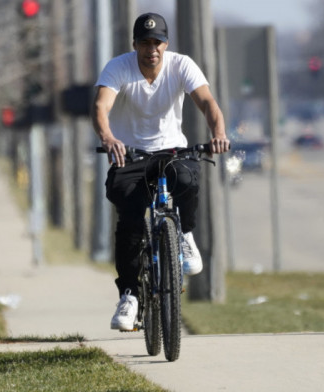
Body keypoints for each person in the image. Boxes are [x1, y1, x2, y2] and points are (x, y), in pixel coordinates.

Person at [91, 12, 230, 331]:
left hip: (171, 150)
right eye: (144, 42)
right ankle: (129, 296)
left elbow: (207, 102)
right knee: (129, 220)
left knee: (187, 178)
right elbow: (101, 106)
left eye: (157, 42)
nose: (151, 49)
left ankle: (184, 235)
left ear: (166, 44)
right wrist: (109, 137)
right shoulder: (118, 67)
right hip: (131, 153)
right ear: (135, 44)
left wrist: (218, 134)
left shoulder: (182, 65)